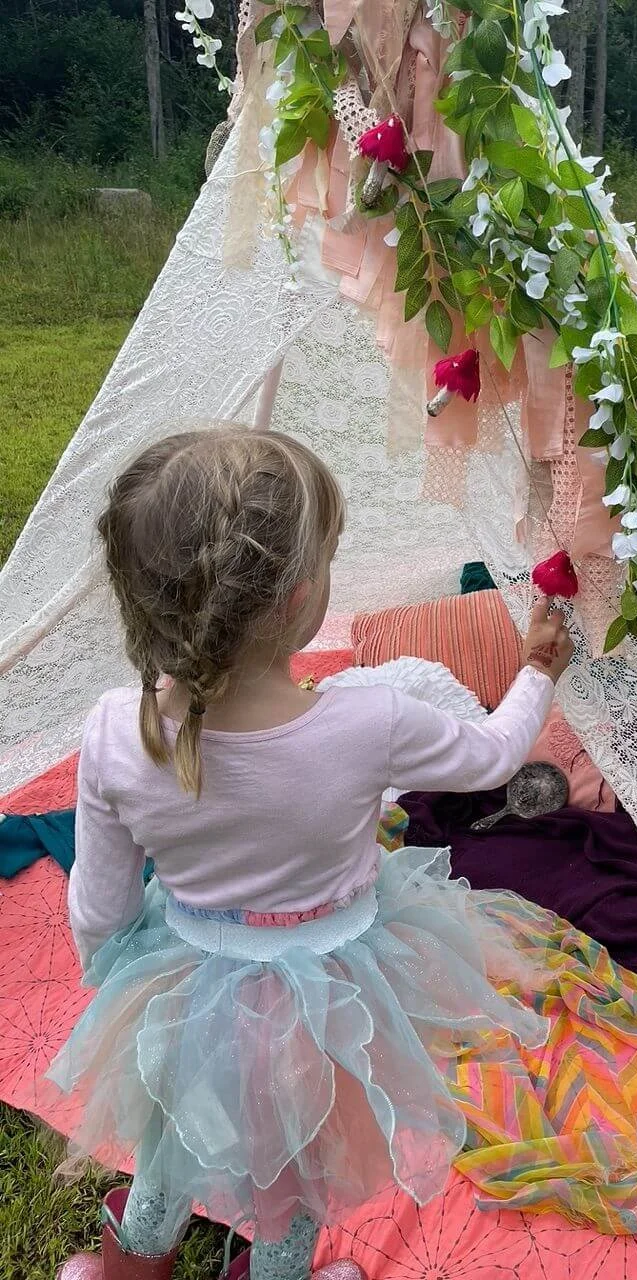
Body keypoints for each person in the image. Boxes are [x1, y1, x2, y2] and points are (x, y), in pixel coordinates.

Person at [50, 427, 573, 1280]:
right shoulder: (371, 721)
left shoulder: (116, 729)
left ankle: (127, 1268)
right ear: (299, 600)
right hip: (336, 996)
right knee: (300, 1172)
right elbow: (491, 756)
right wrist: (537, 670)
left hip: (183, 987)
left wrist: (111, 979)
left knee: (170, 1138)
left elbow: (101, 905)